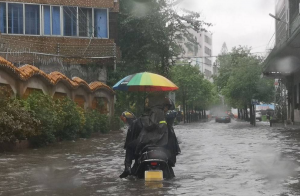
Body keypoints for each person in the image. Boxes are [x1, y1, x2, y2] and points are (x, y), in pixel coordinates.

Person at [119, 93, 177, 178]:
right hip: (162, 143)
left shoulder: (148, 115)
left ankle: (127, 167)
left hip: (147, 142)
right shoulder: (164, 117)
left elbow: (146, 126)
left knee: (130, 146)